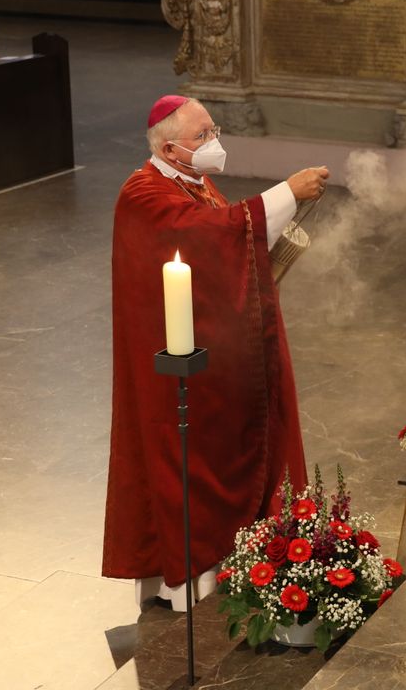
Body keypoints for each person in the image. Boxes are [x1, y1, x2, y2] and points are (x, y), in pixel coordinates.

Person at [102, 95, 329, 611]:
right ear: (170, 146)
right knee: (180, 463)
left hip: (208, 354)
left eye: (213, 130)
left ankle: (229, 561)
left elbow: (223, 246)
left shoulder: (193, 182)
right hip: (170, 369)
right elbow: (210, 237)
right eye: (203, 135)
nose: (213, 142)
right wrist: (285, 193)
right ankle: (177, 583)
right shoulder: (142, 193)